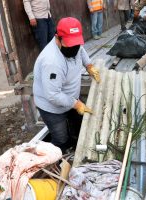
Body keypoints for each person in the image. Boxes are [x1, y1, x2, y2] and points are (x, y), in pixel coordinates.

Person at [33, 17, 101, 153]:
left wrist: (89, 65)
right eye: (70, 44)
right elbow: (53, 95)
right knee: (61, 139)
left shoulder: (74, 45)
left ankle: (76, 143)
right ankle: (61, 155)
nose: (74, 48)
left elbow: (80, 50)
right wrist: (76, 104)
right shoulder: (51, 61)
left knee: (79, 125)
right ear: (57, 38)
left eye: (76, 43)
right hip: (52, 106)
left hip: (71, 98)